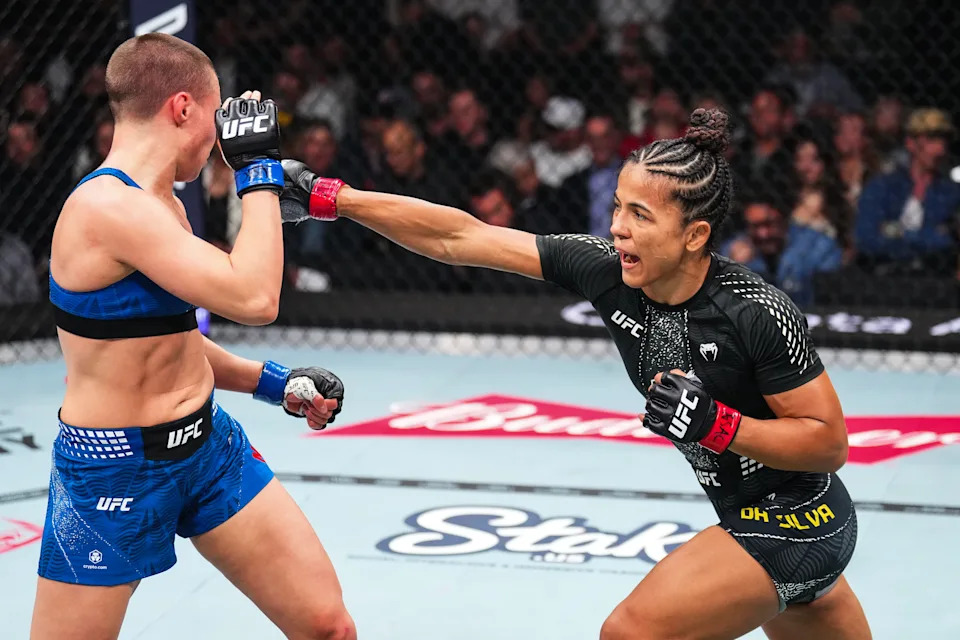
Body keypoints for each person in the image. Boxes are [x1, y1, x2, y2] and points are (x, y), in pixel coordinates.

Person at [281, 108, 871, 639]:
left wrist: (719, 427)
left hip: (801, 521)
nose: (618, 227)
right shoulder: (606, 270)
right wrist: (329, 197)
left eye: (640, 215)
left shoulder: (754, 312)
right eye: (618, 206)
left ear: (695, 236)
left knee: (631, 635)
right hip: (745, 515)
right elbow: (461, 236)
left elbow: (828, 442)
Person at [32, 34, 356, 640]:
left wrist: (273, 383)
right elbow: (256, 298)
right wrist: (258, 172)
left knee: (327, 627)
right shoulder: (109, 207)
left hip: (207, 448)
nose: (218, 141)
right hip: (113, 470)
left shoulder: (164, 204)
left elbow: (169, 338)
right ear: (183, 109)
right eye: (214, 118)